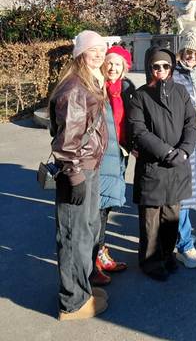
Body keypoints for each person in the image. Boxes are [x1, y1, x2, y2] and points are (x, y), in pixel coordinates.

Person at [49, 30, 108, 321]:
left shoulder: (88, 82)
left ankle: (82, 290)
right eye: (92, 50)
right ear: (80, 54)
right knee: (73, 235)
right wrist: (74, 175)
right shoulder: (75, 89)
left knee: (85, 231)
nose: (98, 55)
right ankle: (72, 302)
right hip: (78, 170)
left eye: (102, 50)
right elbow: (66, 142)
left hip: (88, 166)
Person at [129, 47, 196, 281]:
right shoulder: (140, 96)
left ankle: (168, 254)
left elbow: (191, 124)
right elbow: (139, 130)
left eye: (165, 66)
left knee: (171, 215)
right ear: (150, 67)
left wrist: (185, 150)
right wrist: (167, 151)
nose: (160, 70)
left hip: (178, 164)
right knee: (151, 218)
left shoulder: (181, 92)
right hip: (154, 165)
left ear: (172, 68)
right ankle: (149, 260)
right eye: (156, 66)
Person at [92, 45, 136, 285]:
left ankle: (100, 250)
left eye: (118, 64)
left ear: (124, 68)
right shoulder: (96, 88)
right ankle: (93, 258)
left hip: (120, 153)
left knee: (106, 206)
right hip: (100, 155)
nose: (113, 67)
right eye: (109, 62)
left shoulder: (126, 89)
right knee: (97, 207)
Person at [173, 30, 196, 268]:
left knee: (190, 187)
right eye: (188, 52)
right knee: (182, 191)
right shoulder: (174, 75)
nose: (191, 56)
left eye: (195, 53)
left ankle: (181, 235)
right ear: (181, 52)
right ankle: (184, 243)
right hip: (182, 137)